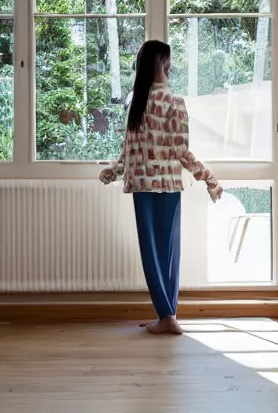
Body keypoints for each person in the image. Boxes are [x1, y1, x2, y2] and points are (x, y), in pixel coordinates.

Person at [99, 40, 223, 335]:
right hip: (167, 186)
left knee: (152, 252)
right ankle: (168, 315)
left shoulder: (137, 100)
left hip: (143, 186)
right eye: (167, 60)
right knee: (168, 252)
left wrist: (114, 171)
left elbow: (128, 149)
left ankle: (167, 316)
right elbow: (181, 151)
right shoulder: (174, 102)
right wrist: (207, 176)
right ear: (164, 64)